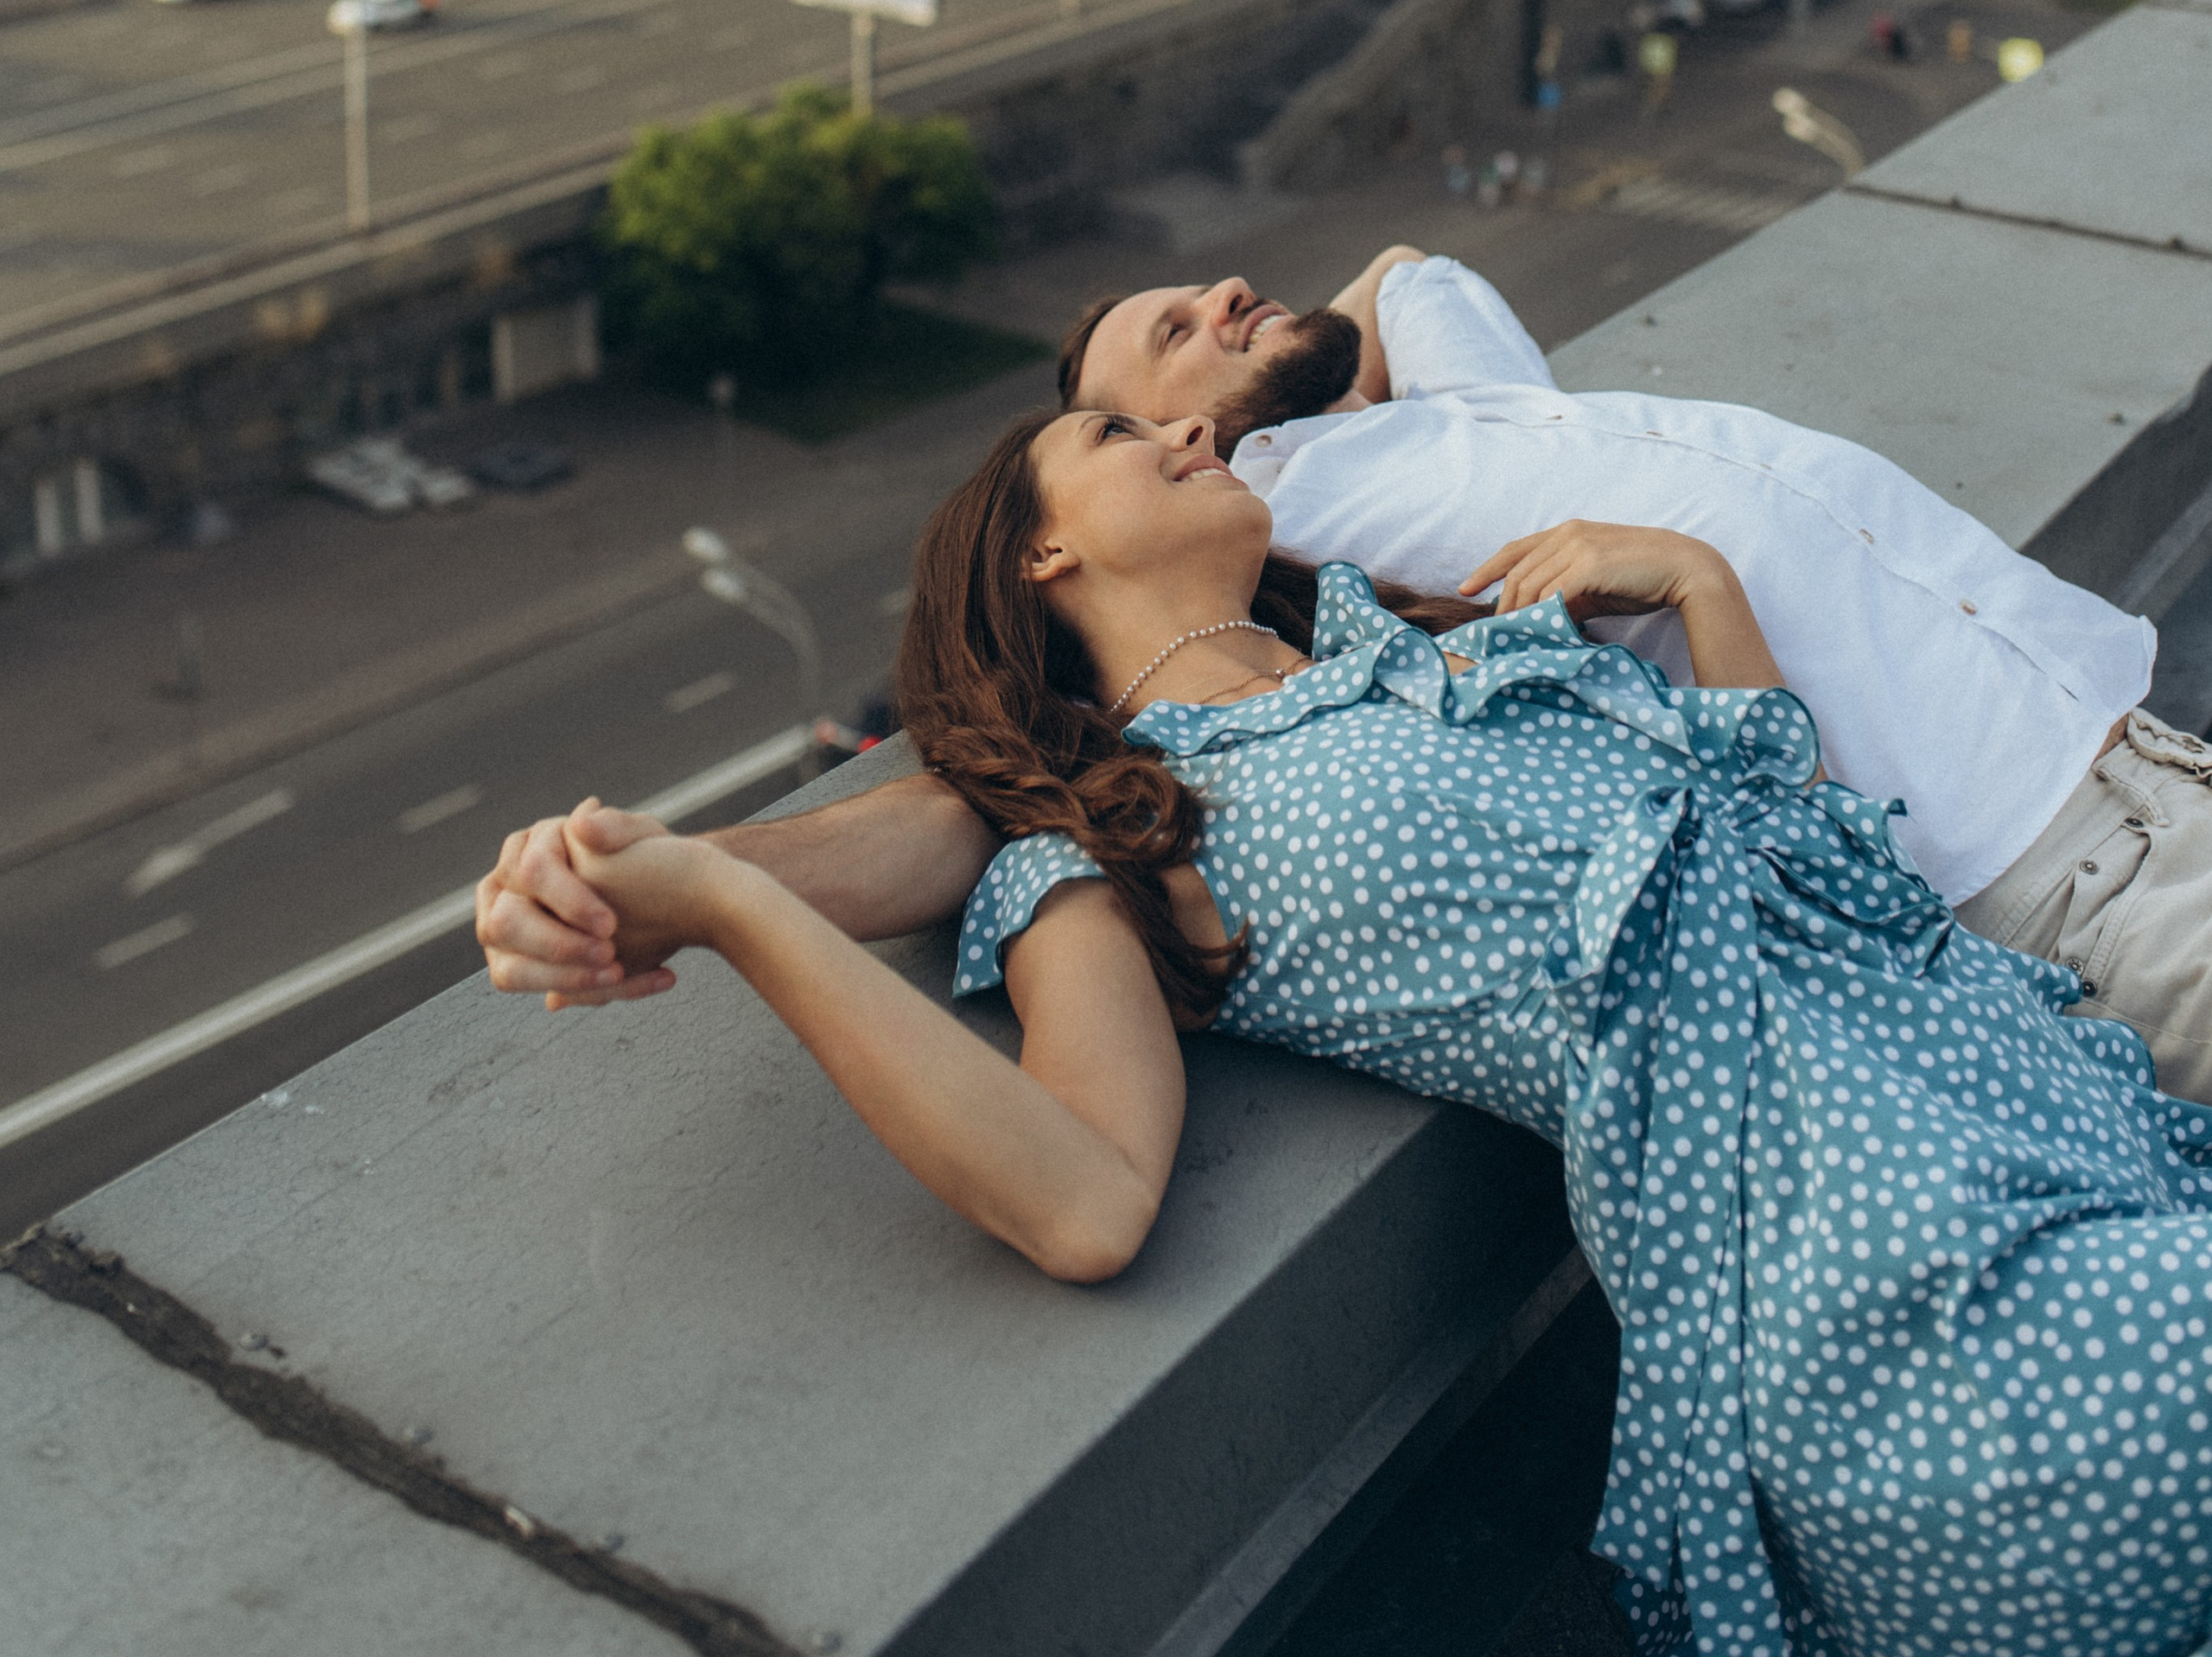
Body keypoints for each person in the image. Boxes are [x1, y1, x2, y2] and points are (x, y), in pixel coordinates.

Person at [497, 409, 2212, 1657]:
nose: (1179, 428)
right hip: (1936, 1322)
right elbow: (1083, 1198)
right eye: (1111, 429)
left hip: (2074, 1134)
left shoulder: (1430, 649)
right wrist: (731, 906)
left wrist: (1691, 576)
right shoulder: (1115, 835)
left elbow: (1782, 816)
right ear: (1042, 549)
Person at [1055, 248, 2212, 1102]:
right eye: (1174, 338)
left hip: (2124, 750)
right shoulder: (1300, 526)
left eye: (1209, 293)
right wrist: (1252, 410)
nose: (1223, 297)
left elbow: (1415, 277)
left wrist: (1294, 358)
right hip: (2052, 882)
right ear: (1165, 445)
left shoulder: (1461, 421)